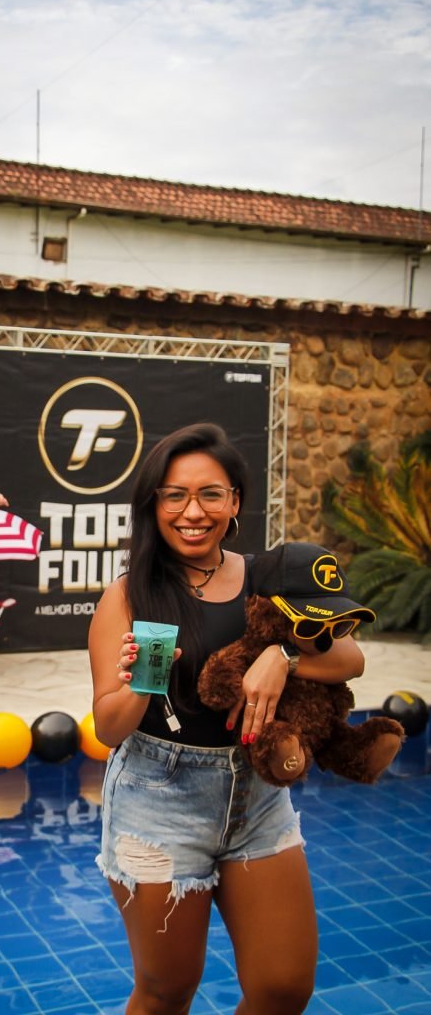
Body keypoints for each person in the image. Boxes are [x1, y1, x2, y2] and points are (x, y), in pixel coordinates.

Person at [88, 422, 365, 1015]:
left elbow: (351, 658)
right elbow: (108, 728)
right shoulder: (130, 594)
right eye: (175, 496)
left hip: (257, 798)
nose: (194, 512)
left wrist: (283, 656)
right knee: (166, 993)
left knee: (283, 988)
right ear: (154, 505)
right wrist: (142, 682)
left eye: (210, 494)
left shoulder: (268, 576)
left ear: (235, 502)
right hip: (157, 801)